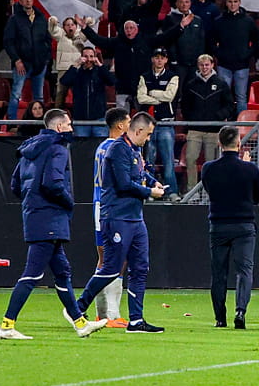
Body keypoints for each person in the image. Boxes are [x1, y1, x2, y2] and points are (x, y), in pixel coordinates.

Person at [0, 108, 109, 341]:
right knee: (32, 274)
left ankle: (80, 322)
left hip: (35, 214)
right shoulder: (57, 148)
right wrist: (69, 203)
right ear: (59, 127)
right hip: (50, 216)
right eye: (68, 125)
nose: (71, 129)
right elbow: (53, 183)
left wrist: (33, 202)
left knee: (62, 272)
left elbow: (16, 184)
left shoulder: (30, 148)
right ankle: (7, 325)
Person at [75, 112, 168, 334]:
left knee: (140, 268)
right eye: (148, 134)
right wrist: (149, 192)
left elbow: (141, 172)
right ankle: (77, 308)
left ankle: (136, 321)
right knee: (111, 268)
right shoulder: (116, 149)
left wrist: (156, 183)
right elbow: (124, 183)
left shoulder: (133, 150)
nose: (148, 139)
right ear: (137, 131)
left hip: (135, 217)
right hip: (116, 216)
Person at [202, 125, 259, 330]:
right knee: (244, 270)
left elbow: (209, 189)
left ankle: (219, 318)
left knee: (219, 273)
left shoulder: (208, 168)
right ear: (239, 143)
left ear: (219, 144)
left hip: (218, 224)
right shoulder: (249, 169)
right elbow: (258, 197)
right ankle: (240, 311)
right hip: (244, 224)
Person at [89, 108, 132, 327]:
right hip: (110, 207)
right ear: (120, 126)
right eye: (129, 121)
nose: (131, 125)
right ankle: (112, 315)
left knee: (105, 259)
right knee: (116, 259)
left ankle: (102, 313)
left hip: (99, 205)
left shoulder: (101, 147)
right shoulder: (116, 147)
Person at [181, 54, 237, 190]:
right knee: (190, 159)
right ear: (198, 66)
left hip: (213, 131)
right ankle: (191, 191)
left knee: (211, 163)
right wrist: (192, 119)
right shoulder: (191, 84)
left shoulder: (221, 83)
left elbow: (230, 105)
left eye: (207, 65)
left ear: (212, 65)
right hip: (194, 130)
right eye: (201, 65)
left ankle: (210, 191)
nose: (204, 67)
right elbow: (185, 106)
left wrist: (219, 116)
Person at [136, 47, 181, 201]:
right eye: (157, 57)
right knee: (149, 160)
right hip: (148, 124)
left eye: (162, 57)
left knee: (168, 160)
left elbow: (169, 96)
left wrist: (152, 93)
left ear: (166, 60)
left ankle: (172, 192)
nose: (159, 60)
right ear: (152, 59)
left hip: (165, 123)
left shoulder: (173, 76)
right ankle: (150, 192)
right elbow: (141, 98)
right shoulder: (145, 76)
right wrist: (158, 98)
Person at [3, 0, 52, 120]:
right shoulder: (14, 19)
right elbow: (8, 42)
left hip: (40, 64)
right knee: (16, 95)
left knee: (39, 96)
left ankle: (38, 123)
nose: (28, 1)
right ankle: (12, 123)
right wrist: (16, 60)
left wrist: (45, 59)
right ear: (20, 1)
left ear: (33, 0)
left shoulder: (42, 18)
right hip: (22, 63)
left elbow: (48, 39)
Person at [211, 0, 259, 113]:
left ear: (240, 2)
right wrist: (219, 54)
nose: (233, 4)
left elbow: (257, 41)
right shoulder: (219, 21)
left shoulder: (248, 21)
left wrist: (247, 55)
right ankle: (225, 124)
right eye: (230, 2)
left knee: (241, 97)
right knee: (224, 96)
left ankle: (241, 126)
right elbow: (211, 41)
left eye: (235, 1)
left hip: (242, 65)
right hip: (224, 65)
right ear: (226, 3)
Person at [60, 47, 116, 138]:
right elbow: (64, 81)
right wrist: (75, 65)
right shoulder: (77, 72)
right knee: (81, 148)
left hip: (99, 118)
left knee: (100, 147)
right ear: (81, 57)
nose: (89, 59)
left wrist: (100, 65)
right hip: (80, 119)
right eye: (86, 56)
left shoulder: (100, 72)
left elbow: (112, 81)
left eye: (91, 56)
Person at [48, 16, 87, 109]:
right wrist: (53, 20)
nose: (70, 27)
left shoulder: (80, 35)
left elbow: (87, 33)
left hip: (77, 68)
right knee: (60, 93)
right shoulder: (60, 34)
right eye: (67, 25)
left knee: (78, 93)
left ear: (76, 26)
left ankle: (79, 115)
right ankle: (58, 114)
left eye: (72, 25)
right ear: (64, 27)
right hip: (63, 69)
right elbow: (52, 29)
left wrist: (88, 22)